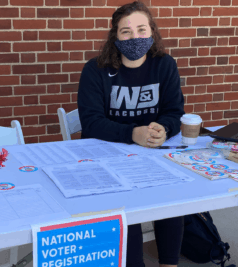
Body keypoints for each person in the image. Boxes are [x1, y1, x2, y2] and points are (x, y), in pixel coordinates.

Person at [77, 1, 185, 267]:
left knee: (174, 197)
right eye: (126, 32)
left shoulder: (165, 65)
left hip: (153, 154)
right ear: (115, 36)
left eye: (141, 29)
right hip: (108, 157)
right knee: (127, 209)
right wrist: (132, 133)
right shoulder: (95, 70)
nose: (135, 37)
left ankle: (169, 263)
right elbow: (91, 123)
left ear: (152, 32)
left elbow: (174, 111)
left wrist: (165, 128)